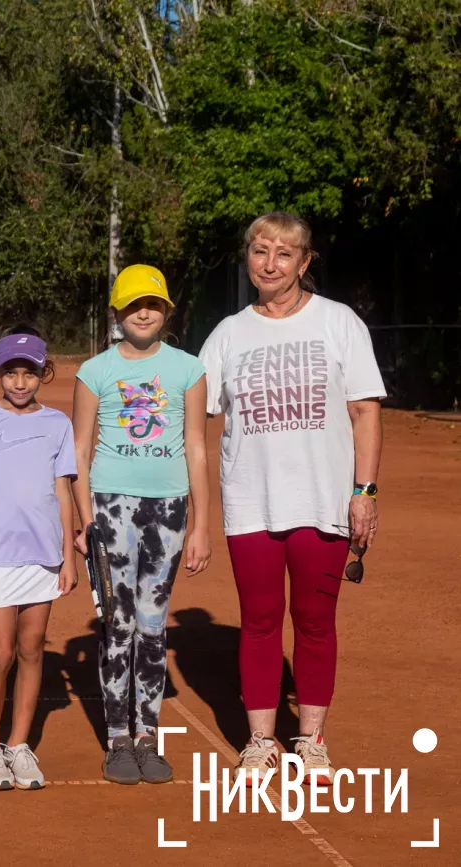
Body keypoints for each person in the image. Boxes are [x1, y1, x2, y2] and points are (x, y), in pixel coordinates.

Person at [199, 212, 384, 786]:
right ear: (247, 259)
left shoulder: (339, 322)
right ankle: (259, 740)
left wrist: (364, 492)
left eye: (284, 253)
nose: (270, 263)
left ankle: (312, 737)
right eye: (260, 251)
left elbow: (364, 412)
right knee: (258, 620)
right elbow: (191, 417)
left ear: (305, 263)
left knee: (314, 620)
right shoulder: (228, 334)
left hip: (322, 499)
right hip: (250, 501)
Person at [71, 266, 210, 785]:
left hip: (168, 510)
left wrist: (201, 525)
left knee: (153, 626)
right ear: (117, 315)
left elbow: (197, 448)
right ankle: (117, 739)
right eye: (132, 306)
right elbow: (80, 453)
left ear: (166, 311)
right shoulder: (95, 372)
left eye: (152, 304)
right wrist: (85, 522)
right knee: (118, 624)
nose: (143, 313)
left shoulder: (188, 370)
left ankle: (147, 733)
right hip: (109, 508)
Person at [0, 327, 77, 790]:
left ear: (44, 373)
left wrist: (68, 556)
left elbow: (63, 492)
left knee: (32, 649)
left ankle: (19, 745)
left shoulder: (58, 425)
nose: (21, 382)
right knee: (0, 653)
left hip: (43, 560)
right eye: (11, 373)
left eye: (30, 373)